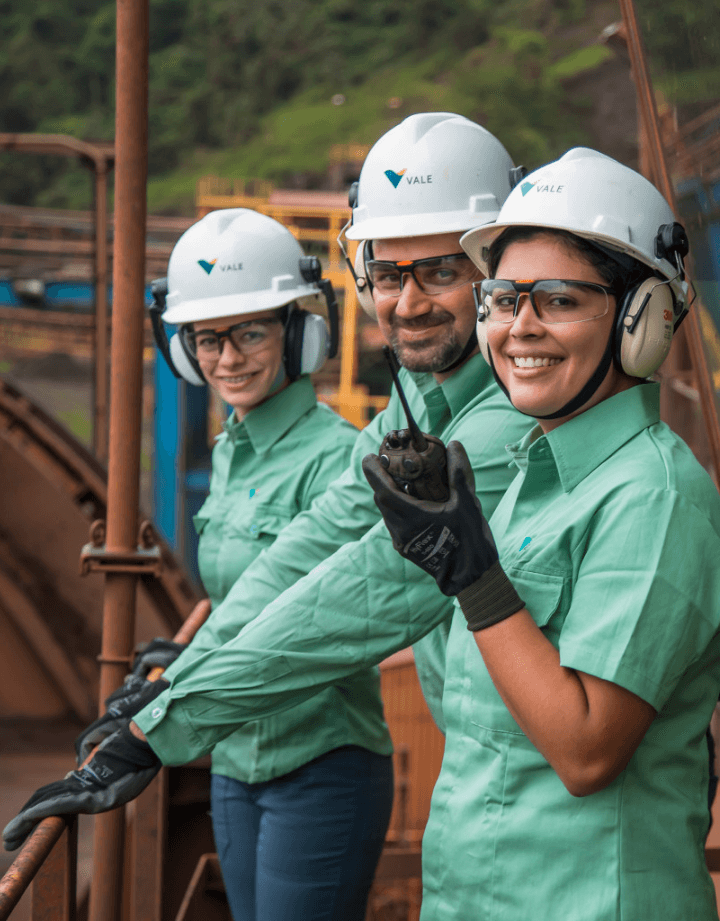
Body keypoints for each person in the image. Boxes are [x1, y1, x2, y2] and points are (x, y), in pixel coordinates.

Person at [3, 113, 532, 909]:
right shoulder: (419, 404)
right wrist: (187, 671)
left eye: (440, 271)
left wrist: (163, 726)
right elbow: (309, 549)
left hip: (514, 790)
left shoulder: (495, 428)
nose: (409, 301)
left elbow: (361, 585)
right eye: (389, 275)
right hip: (470, 781)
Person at [361, 148, 720, 919]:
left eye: (556, 300)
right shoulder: (532, 473)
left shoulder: (655, 496)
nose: (518, 328)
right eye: (502, 298)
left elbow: (587, 749)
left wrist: (470, 572)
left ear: (642, 321)